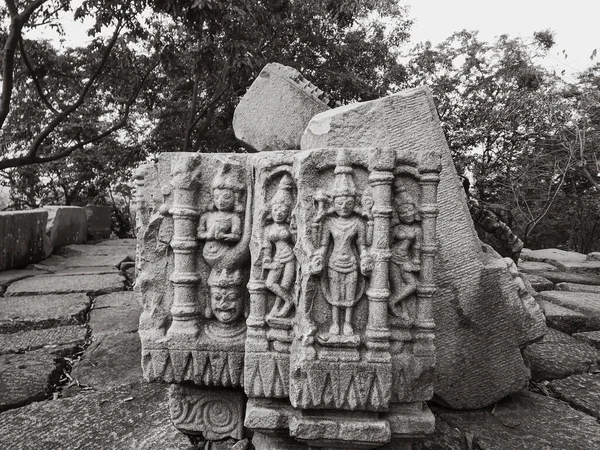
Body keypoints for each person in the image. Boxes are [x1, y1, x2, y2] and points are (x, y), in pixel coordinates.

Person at [262, 174, 296, 320]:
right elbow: (267, 246)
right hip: (277, 259)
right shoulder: (268, 228)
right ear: (271, 210)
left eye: (283, 211)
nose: (279, 213)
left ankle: (279, 307)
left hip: (289, 258)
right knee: (270, 283)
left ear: (288, 213)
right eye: (276, 210)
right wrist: (268, 260)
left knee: (285, 284)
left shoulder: (290, 227)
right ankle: (289, 300)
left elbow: (296, 241)